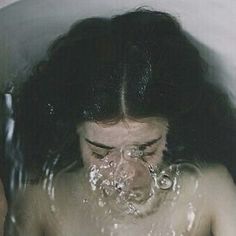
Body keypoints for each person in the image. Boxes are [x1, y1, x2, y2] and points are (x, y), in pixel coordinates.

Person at [6, 9, 236, 235]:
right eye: (101, 152)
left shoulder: (211, 190)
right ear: (72, 132)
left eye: (146, 150)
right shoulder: (40, 202)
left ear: (171, 130)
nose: (126, 174)